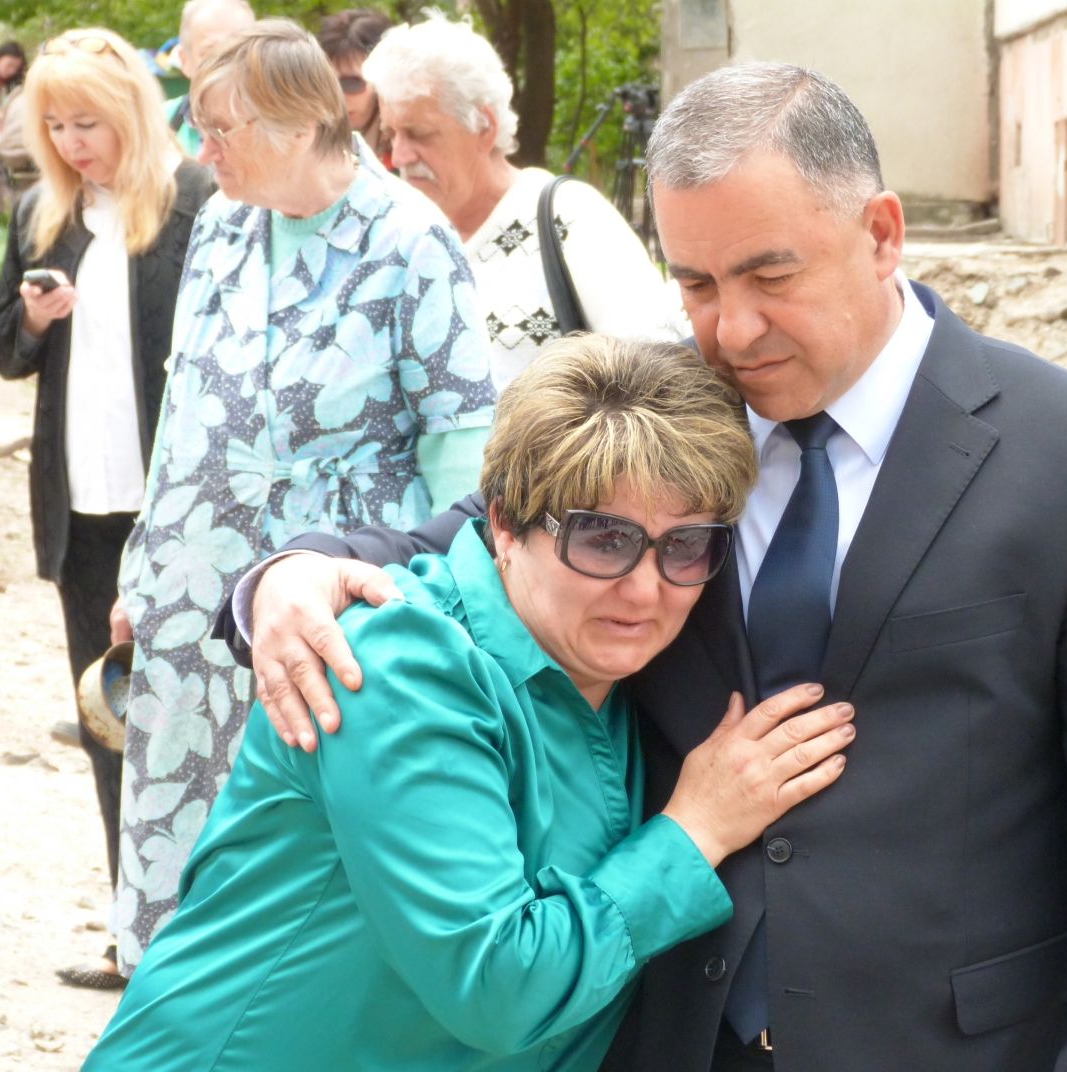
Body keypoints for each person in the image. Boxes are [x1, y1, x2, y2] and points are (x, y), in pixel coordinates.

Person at [230, 62, 1067, 1072]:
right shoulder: (666, 410)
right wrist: (292, 571)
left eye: (771, 276)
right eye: (698, 284)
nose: (734, 331)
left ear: (882, 233)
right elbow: (484, 533)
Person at [69, 335, 853, 1072]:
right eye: (602, 538)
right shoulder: (400, 667)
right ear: (504, 524)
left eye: (685, 546)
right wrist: (696, 828)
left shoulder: (617, 669)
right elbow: (499, 985)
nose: (646, 589)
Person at [110, 19, 494, 976]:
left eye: (221, 130)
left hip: (331, 609)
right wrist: (138, 564)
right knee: (182, 850)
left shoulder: (411, 239)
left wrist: (459, 616)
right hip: (191, 600)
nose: (205, 152)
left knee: (306, 866)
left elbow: (461, 446)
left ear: (294, 123)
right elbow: (182, 404)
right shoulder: (222, 224)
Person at [0, 27, 215, 990]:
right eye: (57, 127)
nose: (74, 144)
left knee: (197, 721)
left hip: (182, 513)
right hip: (82, 512)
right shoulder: (45, 213)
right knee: (109, 718)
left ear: (133, 115)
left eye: (89, 123)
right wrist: (32, 318)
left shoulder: (198, 203)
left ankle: (202, 933)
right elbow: (2, 345)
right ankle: (131, 932)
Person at [361, 14, 686, 391]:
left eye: (419, 134)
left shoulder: (568, 217)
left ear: (484, 126)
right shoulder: (394, 236)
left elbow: (661, 380)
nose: (400, 156)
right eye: (391, 135)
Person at [161, 0, 256, 156]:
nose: (227, 63)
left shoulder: (282, 126)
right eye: (211, 53)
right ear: (185, 61)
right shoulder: (157, 123)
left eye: (240, 49)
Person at [317, 8, 392, 167]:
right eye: (326, 82)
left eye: (351, 82)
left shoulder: (406, 158)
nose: (337, 95)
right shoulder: (310, 152)